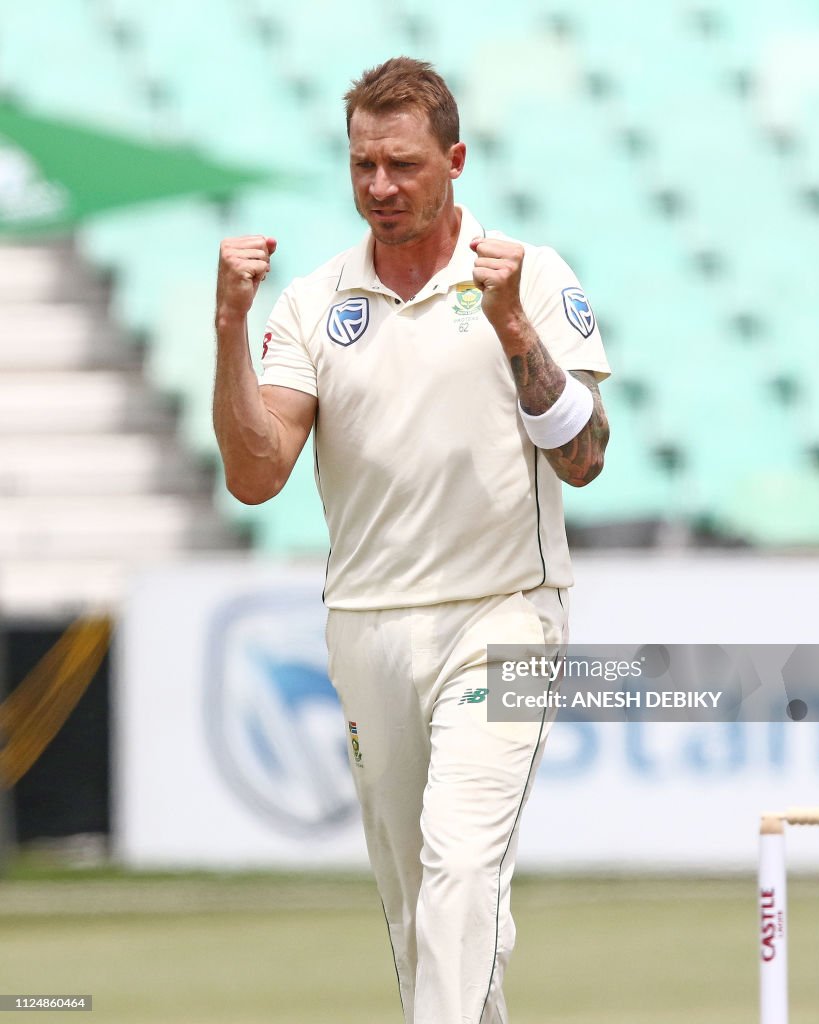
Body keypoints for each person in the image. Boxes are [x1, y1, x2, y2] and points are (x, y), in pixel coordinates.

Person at [213, 56, 610, 1024]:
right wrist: (229, 325)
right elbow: (257, 473)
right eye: (362, 167)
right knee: (417, 906)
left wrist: (512, 321)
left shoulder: (530, 275)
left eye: (401, 165)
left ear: (454, 160)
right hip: (368, 622)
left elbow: (586, 455)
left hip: (504, 608)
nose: (379, 189)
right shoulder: (313, 302)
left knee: (461, 861)